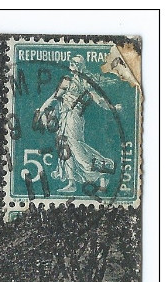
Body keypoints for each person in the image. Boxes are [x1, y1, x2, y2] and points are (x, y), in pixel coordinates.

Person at [37, 55, 122, 194]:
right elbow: (54, 97)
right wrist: (41, 110)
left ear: (82, 66)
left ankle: (103, 169)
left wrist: (112, 108)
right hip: (63, 118)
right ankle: (71, 182)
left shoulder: (86, 83)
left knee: (77, 148)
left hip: (75, 118)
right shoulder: (66, 81)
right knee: (65, 149)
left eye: (76, 63)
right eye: (71, 62)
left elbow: (99, 100)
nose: (72, 64)